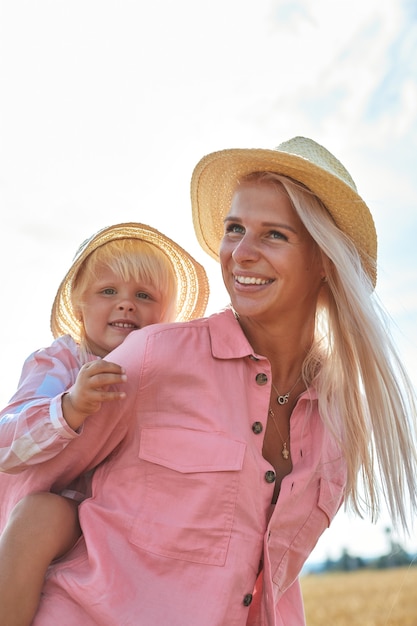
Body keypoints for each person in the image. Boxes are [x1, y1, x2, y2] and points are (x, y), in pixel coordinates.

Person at [4, 136, 417, 626]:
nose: (240, 253)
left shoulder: (337, 421)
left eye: (273, 235)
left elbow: (263, 584)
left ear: (324, 260)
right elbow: (24, 480)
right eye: (235, 229)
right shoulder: (154, 357)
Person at [0, 222, 209, 626]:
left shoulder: (160, 378)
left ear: (164, 317)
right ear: (80, 307)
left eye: (144, 296)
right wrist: (70, 406)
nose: (126, 304)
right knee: (40, 516)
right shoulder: (60, 362)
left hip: (122, 515)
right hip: (56, 507)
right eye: (108, 291)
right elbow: (6, 441)